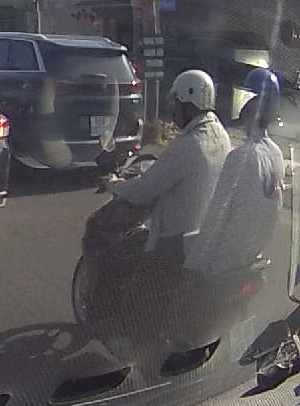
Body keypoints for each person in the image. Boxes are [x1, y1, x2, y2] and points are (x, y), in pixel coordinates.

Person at [106, 68, 231, 273]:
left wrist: (114, 184)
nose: (173, 112)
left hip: (172, 245)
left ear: (188, 104)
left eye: (176, 104)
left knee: (119, 264)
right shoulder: (221, 135)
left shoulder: (188, 146)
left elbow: (143, 191)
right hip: (202, 237)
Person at [185, 68, 285, 276]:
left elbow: (216, 218)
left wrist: (192, 267)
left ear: (251, 107)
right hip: (250, 255)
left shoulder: (242, 157)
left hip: (222, 263)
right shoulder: (276, 154)